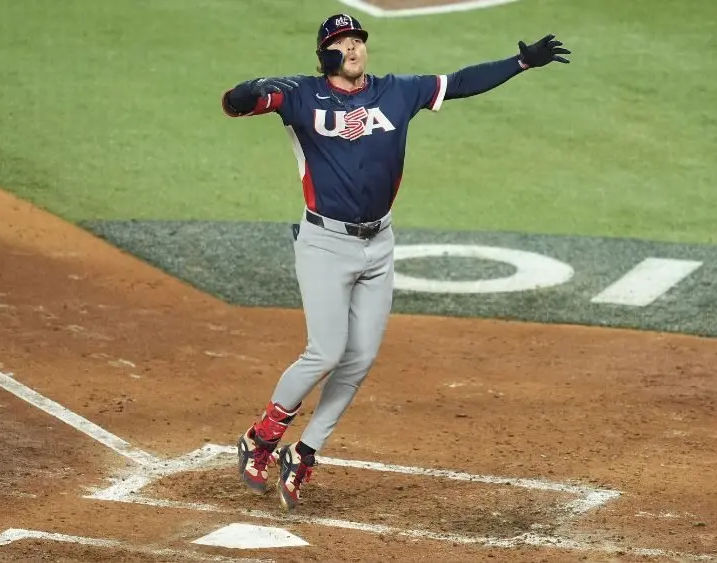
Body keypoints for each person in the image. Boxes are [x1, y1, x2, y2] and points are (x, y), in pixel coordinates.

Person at [221, 13, 571, 511]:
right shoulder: (301, 95)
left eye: (357, 40)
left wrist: (520, 63)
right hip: (325, 243)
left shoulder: (396, 92)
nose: (353, 49)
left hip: (378, 245)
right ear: (325, 55)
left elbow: (460, 83)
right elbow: (236, 106)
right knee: (326, 350)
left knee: (359, 358)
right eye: (341, 43)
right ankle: (261, 436)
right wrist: (250, 88)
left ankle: (304, 452)